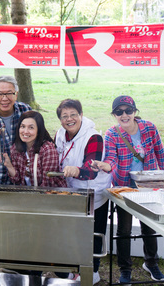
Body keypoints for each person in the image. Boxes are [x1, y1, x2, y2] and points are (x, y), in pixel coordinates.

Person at [92, 95, 164, 284]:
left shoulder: (149, 128)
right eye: (119, 112)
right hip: (124, 187)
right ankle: (125, 269)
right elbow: (111, 159)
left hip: (149, 185)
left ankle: (151, 263)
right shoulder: (112, 133)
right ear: (114, 114)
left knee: (149, 226)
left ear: (135, 112)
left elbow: (160, 151)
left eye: (128, 111)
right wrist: (105, 166)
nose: (124, 115)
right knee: (124, 230)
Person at [54, 99, 111, 284]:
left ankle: (93, 272)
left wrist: (78, 170)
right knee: (75, 232)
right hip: (72, 192)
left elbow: (91, 167)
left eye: (73, 115)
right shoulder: (60, 134)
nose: (69, 119)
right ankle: (75, 269)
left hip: (94, 192)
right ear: (60, 120)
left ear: (81, 115)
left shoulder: (93, 137)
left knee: (93, 233)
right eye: (64, 116)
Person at [2, 111, 66, 188]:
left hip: (52, 196)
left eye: (31, 127)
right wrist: (9, 166)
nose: (25, 131)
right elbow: (17, 181)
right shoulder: (15, 149)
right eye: (22, 126)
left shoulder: (47, 150)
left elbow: (47, 185)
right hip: (29, 195)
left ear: (39, 130)